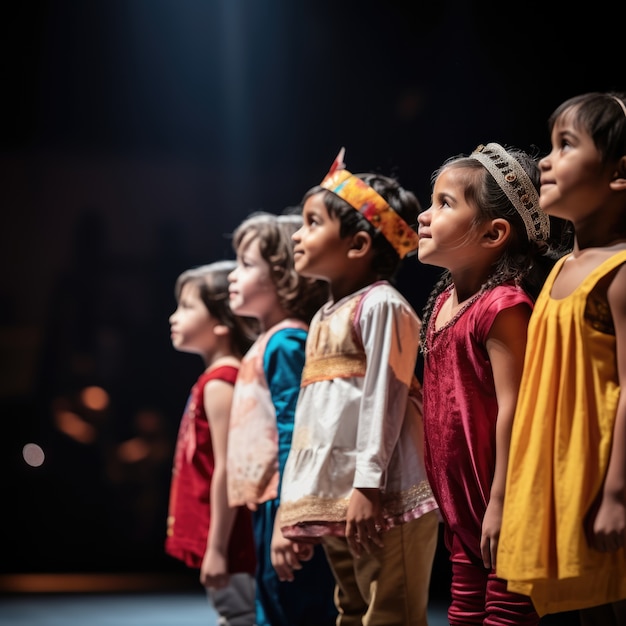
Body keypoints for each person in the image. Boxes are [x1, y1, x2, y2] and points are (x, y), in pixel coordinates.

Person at [276, 149, 440, 626]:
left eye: (312, 222)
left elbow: (383, 399)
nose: (298, 234)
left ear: (358, 245)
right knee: (352, 609)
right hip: (341, 499)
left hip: (384, 494)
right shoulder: (325, 315)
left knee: (390, 612)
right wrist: (297, 504)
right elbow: (314, 420)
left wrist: (367, 484)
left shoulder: (381, 305)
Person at [416, 142, 572, 625]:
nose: (424, 215)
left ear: (493, 233)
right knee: (464, 614)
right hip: (464, 512)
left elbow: (517, 409)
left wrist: (502, 502)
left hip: (502, 504)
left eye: (444, 203)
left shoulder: (502, 306)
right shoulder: (443, 303)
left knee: (507, 615)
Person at [497, 92, 626, 625]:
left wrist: (617, 493)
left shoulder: (618, 273)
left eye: (566, 145)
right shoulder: (554, 272)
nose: (545, 160)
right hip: (560, 493)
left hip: (600, 489)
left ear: (620, 172)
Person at [226, 211, 338, 626]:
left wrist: (288, 520)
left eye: (247, 264)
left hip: (284, 499)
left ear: (284, 274)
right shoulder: (269, 341)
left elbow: (298, 431)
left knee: (289, 607)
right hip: (268, 499)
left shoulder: (287, 342)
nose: (233, 276)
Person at [165, 261, 259, 626]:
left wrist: (218, 548)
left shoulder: (222, 382)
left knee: (239, 615)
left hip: (231, 537)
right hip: (223, 532)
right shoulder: (214, 380)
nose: (175, 317)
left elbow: (228, 466)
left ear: (221, 321)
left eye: (187, 307)